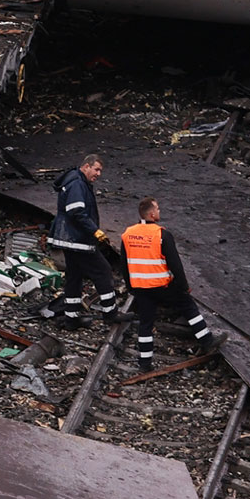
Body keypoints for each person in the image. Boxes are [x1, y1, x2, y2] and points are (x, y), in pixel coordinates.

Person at [122, 198, 227, 370]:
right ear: (151, 214)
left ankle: (144, 363)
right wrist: (184, 286)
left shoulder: (128, 234)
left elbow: (124, 264)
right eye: (157, 208)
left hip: (141, 287)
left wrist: (130, 286)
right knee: (188, 306)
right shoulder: (162, 235)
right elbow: (175, 264)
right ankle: (207, 340)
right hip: (162, 286)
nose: (159, 211)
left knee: (146, 324)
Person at [41, 153, 125, 328]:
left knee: (74, 276)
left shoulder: (76, 181)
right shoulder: (77, 184)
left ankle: (71, 318)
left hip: (70, 239)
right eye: (97, 169)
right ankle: (110, 313)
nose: (99, 174)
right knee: (103, 271)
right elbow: (76, 211)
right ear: (86, 166)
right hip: (77, 240)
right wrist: (95, 231)